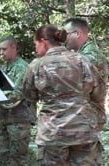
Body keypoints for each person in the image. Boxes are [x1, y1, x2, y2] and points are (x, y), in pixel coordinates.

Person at [22, 24, 106, 165]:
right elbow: (99, 93)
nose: (36, 49)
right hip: (84, 132)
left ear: (44, 41)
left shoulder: (36, 66)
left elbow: (29, 95)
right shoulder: (82, 61)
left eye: (36, 44)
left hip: (53, 134)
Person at [0, 35, 36, 166]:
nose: (1, 53)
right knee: (4, 157)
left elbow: (18, 93)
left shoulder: (22, 67)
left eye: (4, 49)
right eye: (0, 50)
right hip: (5, 118)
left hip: (19, 120)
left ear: (13, 47)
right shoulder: (3, 69)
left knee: (17, 159)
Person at [63, 18, 108, 131]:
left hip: (89, 118)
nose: (63, 39)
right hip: (80, 117)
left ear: (77, 34)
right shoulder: (79, 53)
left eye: (65, 34)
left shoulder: (91, 54)